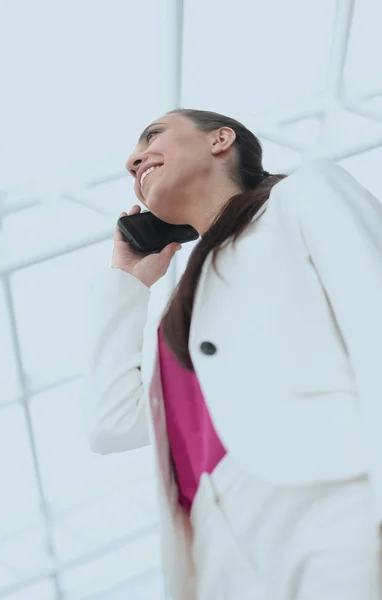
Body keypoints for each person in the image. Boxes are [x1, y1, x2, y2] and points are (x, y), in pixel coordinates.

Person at [83, 109, 382, 600]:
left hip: (334, 503)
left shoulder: (302, 197)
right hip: (223, 561)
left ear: (221, 139)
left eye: (152, 136)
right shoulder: (181, 314)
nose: (133, 159)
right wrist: (126, 283)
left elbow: (375, 315)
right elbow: (110, 424)